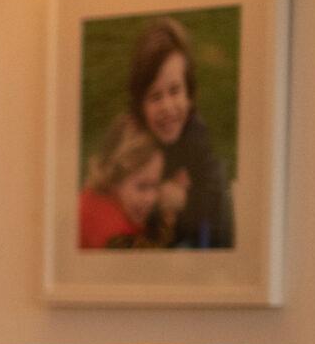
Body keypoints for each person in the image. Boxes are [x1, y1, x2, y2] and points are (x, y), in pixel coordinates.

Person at [125, 16, 234, 249]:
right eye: (155, 97)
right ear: (140, 106)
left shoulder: (196, 137)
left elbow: (216, 210)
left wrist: (183, 201)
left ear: (189, 95)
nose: (167, 107)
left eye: (175, 91)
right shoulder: (130, 142)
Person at [79, 113, 165, 249]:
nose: (151, 198)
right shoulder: (114, 233)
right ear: (114, 179)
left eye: (155, 186)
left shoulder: (92, 198)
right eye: (142, 187)